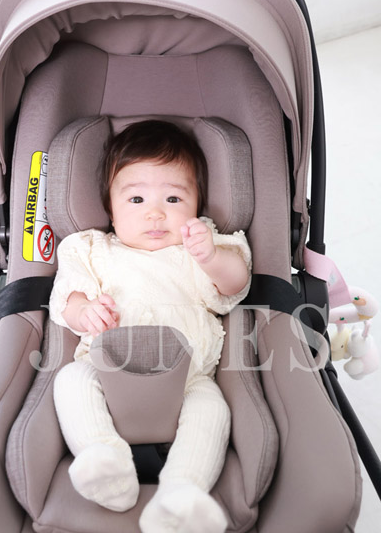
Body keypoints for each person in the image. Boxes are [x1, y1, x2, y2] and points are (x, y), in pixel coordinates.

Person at [50, 120, 251, 533]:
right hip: (106, 372)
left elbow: (236, 284)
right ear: (111, 208)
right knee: (71, 380)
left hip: (188, 378)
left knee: (211, 410)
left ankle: (181, 492)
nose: (156, 213)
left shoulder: (199, 248)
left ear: (197, 205)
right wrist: (84, 311)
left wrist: (211, 257)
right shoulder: (92, 250)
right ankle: (104, 461)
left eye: (174, 198)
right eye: (137, 198)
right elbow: (65, 298)